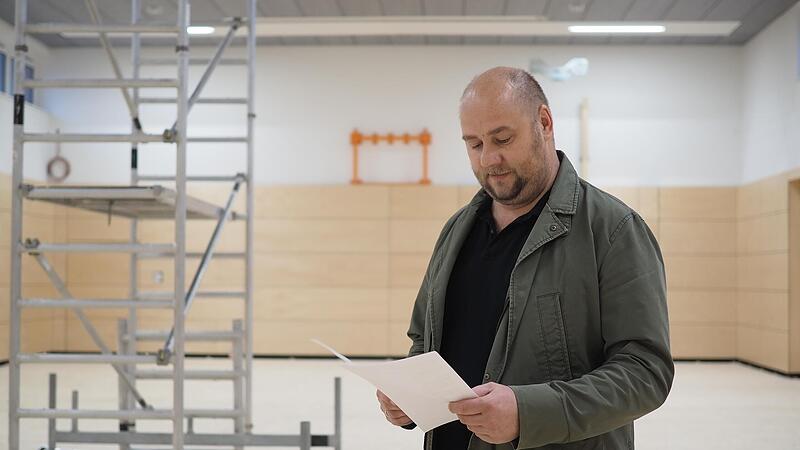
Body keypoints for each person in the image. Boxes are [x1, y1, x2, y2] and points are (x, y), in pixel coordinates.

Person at [376, 66, 674, 450]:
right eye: (474, 144)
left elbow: (645, 373)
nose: (489, 159)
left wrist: (527, 412)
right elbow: (424, 340)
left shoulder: (614, 230)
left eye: (503, 138)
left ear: (544, 123)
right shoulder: (457, 231)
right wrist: (410, 395)